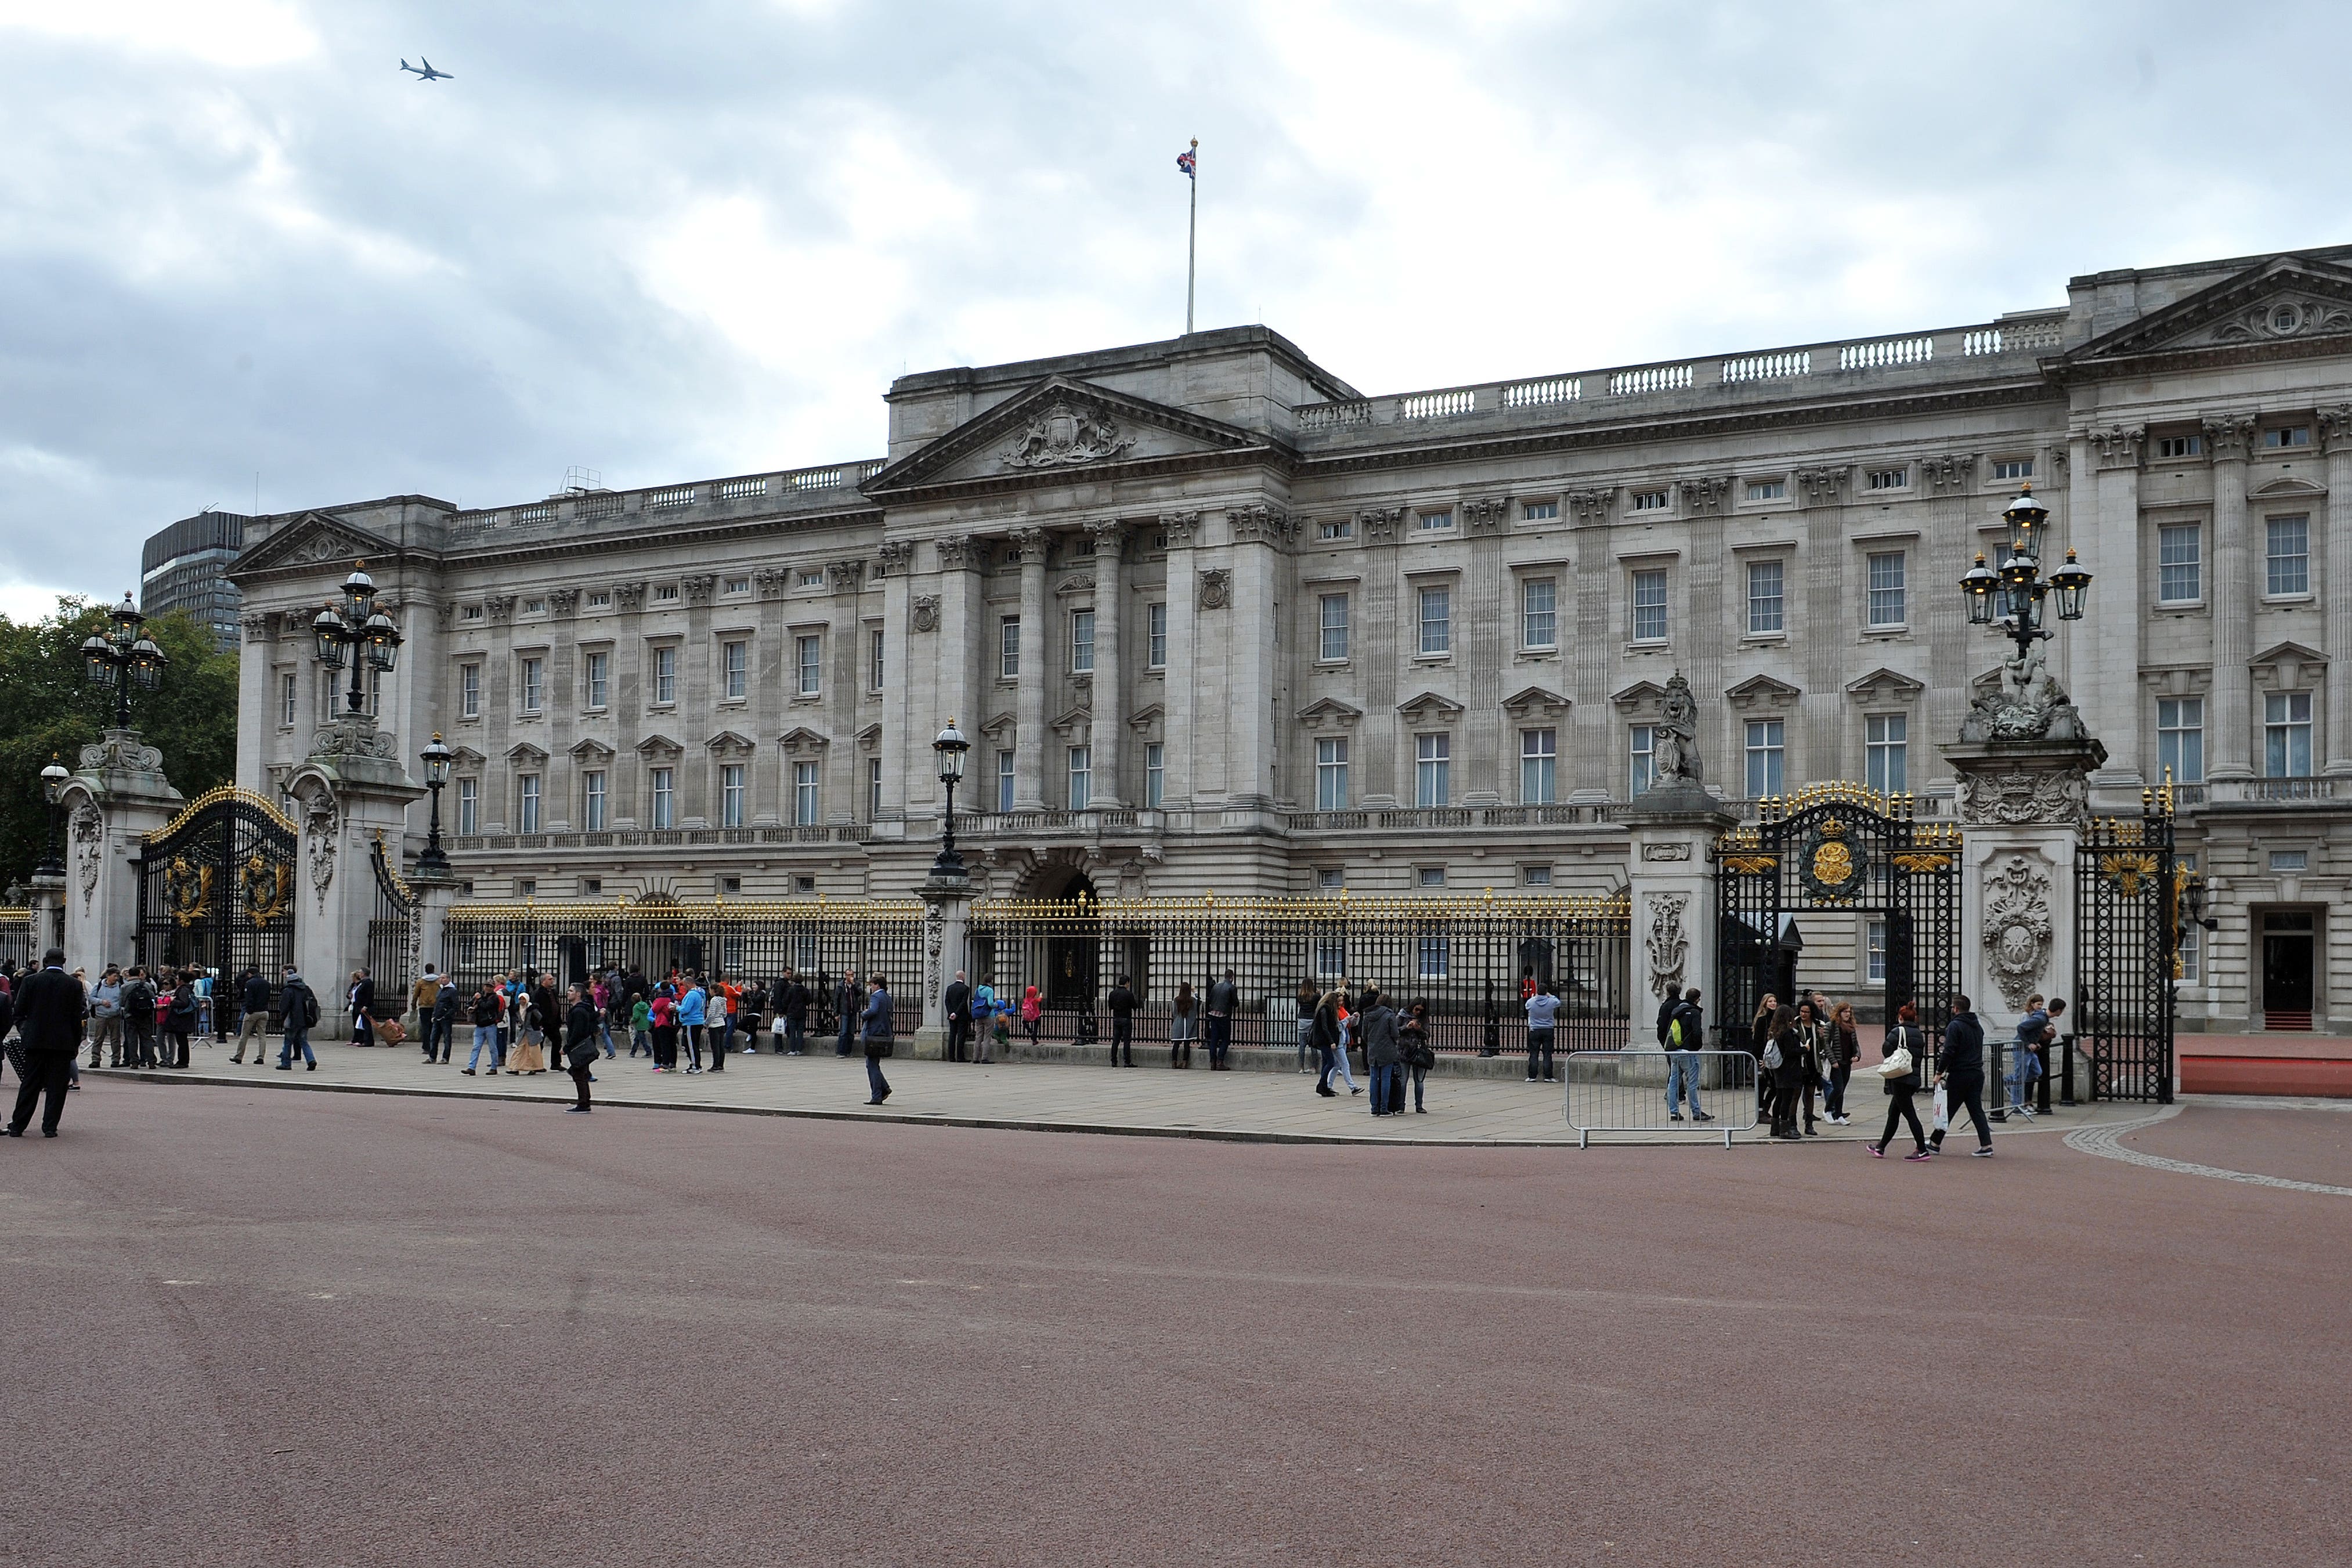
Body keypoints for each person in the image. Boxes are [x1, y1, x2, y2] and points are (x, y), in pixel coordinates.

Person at [6, 950, 83, 1139]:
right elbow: (76, 1017)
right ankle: (50, 1127)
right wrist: (75, 1043)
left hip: (35, 1041)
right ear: (64, 961)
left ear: (45, 961)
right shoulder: (74, 984)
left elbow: (19, 1011)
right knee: (57, 1086)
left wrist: (26, 1032)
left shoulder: (31, 981)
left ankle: (18, 1126)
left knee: (30, 1084)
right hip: (63, 1042)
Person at [1930, 994, 1995, 1157]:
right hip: (1976, 1073)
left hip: (1960, 1074)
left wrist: (1939, 1072)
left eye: (1953, 1007)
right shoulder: (1977, 1026)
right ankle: (1986, 1145)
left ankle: (1934, 1144)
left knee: (1948, 1109)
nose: (1952, 1009)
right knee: (1976, 1110)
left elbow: (1949, 1051)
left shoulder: (1955, 1026)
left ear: (1956, 1009)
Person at [1868, 1001, 1932, 1159]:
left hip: (1900, 1077)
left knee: (1910, 1115)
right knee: (1893, 1113)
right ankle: (1881, 1147)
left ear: (1901, 1017)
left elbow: (1886, 1049)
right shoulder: (1918, 1034)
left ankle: (1922, 1149)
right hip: (1913, 1078)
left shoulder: (1898, 1031)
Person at [1999, 995, 2060, 1121]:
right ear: (2059, 1011)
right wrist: (2028, 1043)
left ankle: (2009, 1081)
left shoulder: (2042, 1017)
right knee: (2020, 1077)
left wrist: (2035, 1041)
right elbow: (2021, 1028)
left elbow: (2033, 1032)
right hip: (2022, 1048)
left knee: (2037, 1072)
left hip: (2029, 1049)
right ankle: (2016, 1106)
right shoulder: (2040, 1019)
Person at [1665, 987, 1712, 1123]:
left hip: (1675, 1051)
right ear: (1697, 999)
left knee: (1673, 1082)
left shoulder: (1676, 1011)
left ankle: (1674, 1112)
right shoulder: (1695, 1012)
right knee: (1692, 1083)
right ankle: (1696, 1112)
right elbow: (1697, 1033)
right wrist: (1697, 1047)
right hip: (1688, 1051)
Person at [1360, 987, 1401, 1115]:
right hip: (1387, 1050)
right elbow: (1395, 1033)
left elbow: (1364, 1035)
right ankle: (1384, 1107)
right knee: (1386, 1079)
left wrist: (1372, 1043)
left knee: (1374, 1078)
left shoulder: (1368, 1014)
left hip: (1373, 1050)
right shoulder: (1389, 1015)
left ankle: (1374, 1107)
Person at [1765, 1006, 1805, 1140]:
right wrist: (1805, 1049)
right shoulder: (1787, 1033)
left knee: (1779, 1098)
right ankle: (1785, 1130)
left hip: (1779, 1068)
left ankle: (1775, 1128)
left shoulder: (1776, 1031)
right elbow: (1790, 1052)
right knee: (1786, 1100)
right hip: (1789, 1069)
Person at [562, 983, 599, 1112]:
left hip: (579, 1048)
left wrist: (567, 1048)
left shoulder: (579, 1011)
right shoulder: (582, 1009)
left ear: (578, 994)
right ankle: (585, 1102)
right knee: (581, 1075)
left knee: (579, 1076)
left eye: (571, 991)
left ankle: (583, 1104)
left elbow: (577, 1032)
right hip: (582, 1046)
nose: (568, 993)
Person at [1824, 1001, 1861, 1125]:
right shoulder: (1831, 1026)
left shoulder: (1851, 1027)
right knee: (1838, 1088)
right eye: (1845, 1012)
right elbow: (1826, 1045)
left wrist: (1857, 1055)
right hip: (1837, 1062)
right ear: (1839, 1013)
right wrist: (1833, 1060)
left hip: (1847, 1061)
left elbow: (1855, 1044)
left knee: (1842, 1089)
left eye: (1849, 1012)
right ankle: (1828, 1110)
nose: (1847, 1014)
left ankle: (1838, 1114)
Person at [277, 966, 319, 1071]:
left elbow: (284, 1007)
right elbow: (314, 1003)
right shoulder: (306, 989)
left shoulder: (288, 990)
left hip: (292, 1020)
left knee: (288, 1042)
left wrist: (281, 1018)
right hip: (306, 1019)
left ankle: (286, 1064)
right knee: (304, 1041)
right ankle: (311, 1060)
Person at [1793, 1000, 1824, 1136]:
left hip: (1813, 1063)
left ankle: (1809, 1124)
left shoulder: (1818, 1025)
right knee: (1795, 1095)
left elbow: (1822, 1046)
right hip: (1799, 1064)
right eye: (1802, 1011)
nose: (1804, 1014)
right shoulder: (1794, 1024)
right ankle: (1792, 1125)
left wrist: (1823, 1037)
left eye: (1807, 1012)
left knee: (1810, 1094)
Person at [861, 973, 894, 1104]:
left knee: (872, 1065)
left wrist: (864, 1014)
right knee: (873, 1064)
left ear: (877, 985)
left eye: (872, 985)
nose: (871, 988)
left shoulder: (876, 996)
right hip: (884, 1033)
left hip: (873, 1033)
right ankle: (884, 1088)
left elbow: (873, 1011)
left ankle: (877, 1095)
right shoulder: (887, 997)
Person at [230, 966, 273, 1064]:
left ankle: (239, 1056)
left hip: (253, 1012)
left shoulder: (249, 983)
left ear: (250, 974)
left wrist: (249, 1011)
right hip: (264, 1011)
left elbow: (249, 999)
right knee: (262, 1035)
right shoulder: (267, 983)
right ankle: (261, 1057)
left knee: (244, 1035)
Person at [1401, 999, 1436, 1113]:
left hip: (1419, 1051)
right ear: (1412, 1007)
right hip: (1404, 1051)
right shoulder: (1402, 1015)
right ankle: (1401, 1105)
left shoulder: (1424, 1019)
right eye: (1416, 1009)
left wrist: (1419, 1029)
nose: (1418, 1012)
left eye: (1421, 1011)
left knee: (1419, 1081)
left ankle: (1419, 1105)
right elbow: (1396, 1031)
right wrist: (1406, 1027)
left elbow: (1427, 1035)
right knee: (1403, 1080)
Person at [1523, 980, 1561, 1083]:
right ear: (1546, 992)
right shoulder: (1551, 1002)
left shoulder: (1531, 1002)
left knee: (1534, 1054)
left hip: (1535, 1029)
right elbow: (1558, 1002)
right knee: (1547, 1054)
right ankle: (1548, 1076)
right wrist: (1550, 995)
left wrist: (1535, 997)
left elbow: (1527, 1006)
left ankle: (1532, 1076)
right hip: (1548, 1029)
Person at [121, 966, 158, 1070]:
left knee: (132, 1039)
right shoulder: (147, 985)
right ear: (139, 974)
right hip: (145, 1015)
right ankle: (151, 1061)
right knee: (147, 1038)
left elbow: (122, 1002)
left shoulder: (125, 986)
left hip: (131, 1015)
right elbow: (153, 998)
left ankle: (134, 1061)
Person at [86, 966, 123, 1069]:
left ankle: (116, 1059)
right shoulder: (98, 986)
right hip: (101, 1016)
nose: (116, 978)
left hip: (115, 1016)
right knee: (99, 1038)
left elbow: (122, 1000)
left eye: (117, 976)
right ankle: (96, 1059)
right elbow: (91, 998)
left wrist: (118, 1007)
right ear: (108, 976)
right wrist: (101, 1002)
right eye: (114, 976)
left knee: (115, 1039)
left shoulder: (119, 987)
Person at [463, 982, 504, 1075]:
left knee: (493, 1048)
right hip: (480, 1025)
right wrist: (471, 1007)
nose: (488, 988)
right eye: (487, 986)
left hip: (490, 1025)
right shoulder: (479, 996)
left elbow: (486, 1006)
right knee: (476, 1047)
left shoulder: (494, 998)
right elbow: (469, 1003)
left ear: (493, 988)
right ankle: (471, 1067)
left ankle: (494, 1067)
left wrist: (480, 999)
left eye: (490, 987)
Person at [1310, 987, 1343, 1097]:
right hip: (1323, 1040)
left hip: (1324, 1040)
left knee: (1326, 1062)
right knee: (1331, 1062)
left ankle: (1324, 1086)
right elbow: (1325, 1027)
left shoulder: (1325, 1009)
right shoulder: (1324, 1009)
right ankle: (1321, 1085)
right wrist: (1331, 1041)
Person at [507, 985, 547, 1075]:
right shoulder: (518, 1009)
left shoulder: (532, 1008)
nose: (522, 1001)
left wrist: (536, 1025)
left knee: (533, 1051)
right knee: (519, 1050)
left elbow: (540, 1017)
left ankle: (534, 1067)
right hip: (524, 1032)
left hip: (532, 1032)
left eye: (523, 999)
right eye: (520, 999)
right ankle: (515, 1067)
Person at [1205, 968, 1238, 1071]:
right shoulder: (1232, 988)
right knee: (1225, 1039)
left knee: (1214, 1039)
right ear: (1232, 978)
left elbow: (1210, 999)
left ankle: (1213, 1062)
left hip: (1213, 1014)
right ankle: (1220, 1062)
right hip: (1224, 1016)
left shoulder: (1216, 986)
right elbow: (1235, 1003)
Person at [163, 970, 197, 1068]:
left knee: (182, 1041)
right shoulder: (186, 989)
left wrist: (173, 1001)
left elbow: (184, 1003)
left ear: (182, 981)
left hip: (181, 1019)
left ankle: (182, 1061)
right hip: (184, 1019)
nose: (176, 980)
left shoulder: (183, 990)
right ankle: (183, 1060)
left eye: (177, 979)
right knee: (182, 1041)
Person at [412, 964, 445, 1060]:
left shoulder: (421, 981)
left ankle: (426, 1047)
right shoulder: (438, 981)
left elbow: (416, 994)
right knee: (434, 1027)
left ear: (425, 970)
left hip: (424, 1006)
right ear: (433, 970)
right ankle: (433, 1045)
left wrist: (413, 1005)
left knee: (425, 1027)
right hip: (435, 1006)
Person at [678, 976, 707, 1073]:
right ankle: (696, 1064)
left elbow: (685, 1009)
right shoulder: (701, 993)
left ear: (689, 984)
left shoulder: (692, 995)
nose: (684, 987)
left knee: (690, 1045)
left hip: (691, 1021)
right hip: (698, 1020)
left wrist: (677, 1008)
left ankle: (696, 1066)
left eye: (685, 985)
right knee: (694, 1045)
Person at [1105, 975, 1137, 1067]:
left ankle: (1114, 1060)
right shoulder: (1128, 994)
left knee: (1116, 1040)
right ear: (1127, 983)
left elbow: (1110, 1007)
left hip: (1116, 1018)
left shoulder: (1112, 993)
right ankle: (1127, 1061)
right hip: (1126, 1019)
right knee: (1127, 1041)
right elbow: (1134, 1006)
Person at [942, 970, 972, 1063]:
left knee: (952, 1035)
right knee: (961, 1036)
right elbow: (963, 1003)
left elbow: (947, 1001)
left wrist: (951, 1013)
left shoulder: (950, 988)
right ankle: (960, 1057)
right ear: (963, 977)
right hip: (962, 1016)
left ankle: (951, 1057)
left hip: (951, 1016)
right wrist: (957, 1013)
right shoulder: (965, 988)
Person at [781, 970, 812, 1056]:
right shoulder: (805, 990)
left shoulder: (790, 990)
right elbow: (808, 1001)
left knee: (792, 1032)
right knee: (801, 1032)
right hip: (802, 1012)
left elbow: (785, 1001)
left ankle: (792, 1050)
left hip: (792, 1012)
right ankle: (799, 1049)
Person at [430, 979, 460, 1064]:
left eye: (443, 978)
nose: (441, 980)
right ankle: (432, 1057)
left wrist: (447, 1015)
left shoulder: (452, 991)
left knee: (447, 1038)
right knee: (433, 1038)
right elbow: (437, 1004)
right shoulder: (441, 989)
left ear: (448, 979)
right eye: (440, 978)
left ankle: (445, 1058)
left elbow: (455, 1005)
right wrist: (434, 1015)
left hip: (446, 1018)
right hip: (437, 1017)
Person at [1168, 982, 1197, 1068]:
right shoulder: (1192, 1000)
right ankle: (1184, 1063)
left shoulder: (1176, 1000)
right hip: (1188, 1025)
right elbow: (1199, 1001)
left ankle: (1174, 1063)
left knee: (1176, 1045)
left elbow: (1174, 1013)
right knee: (1187, 1045)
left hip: (1178, 1024)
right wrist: (1195, 991)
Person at [971, 979, 998, 1064]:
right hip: (988, 1015)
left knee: (978, 1037)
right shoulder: (990, 990)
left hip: (979, 1015)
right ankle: (984, 1058)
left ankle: (975, 1057)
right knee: (987, 1037)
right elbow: (990, 1003)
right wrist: (996, 1005)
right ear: (991, 981)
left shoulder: (978, 990)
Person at [1294, 980, 1319, 1074]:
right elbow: (1319, 1005)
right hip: (1312, 1019)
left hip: (1302, 1019)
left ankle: (1301, 1067)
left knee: (1302, 1045)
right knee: (1313, 1044)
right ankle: (1314, 1067)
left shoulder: (1300, 996)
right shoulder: (1315, 996)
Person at [833, 971, 859, 1057]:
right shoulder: (841, 986)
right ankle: (841, 1052)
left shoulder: (855, 984)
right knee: (844, 1032)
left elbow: (859, 993)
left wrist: (854, 985)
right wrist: (836, 1014)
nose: (851, 977)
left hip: (853, 1011)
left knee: (851, 1033)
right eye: (849, 975)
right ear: (845, 976)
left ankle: (848, 1051)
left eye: (852, 975)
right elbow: (836, 1000)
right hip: (844, 1012)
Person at [348, 969, 375, 1046]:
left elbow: (369, 996)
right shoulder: (363, 983)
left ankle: (368, 1041)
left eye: (360, 972)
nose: (359, 974)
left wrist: (366, 1006)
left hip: (365, 1007)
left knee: (366, 1025)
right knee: (362, 1024)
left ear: (363, 974)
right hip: (359, 1006)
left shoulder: (368, 983)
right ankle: (362, 1040)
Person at [1018, 984, 1043, 1049]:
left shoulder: (1026, 1000)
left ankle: (1030, 1031)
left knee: (1024, 1022)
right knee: (1036, 1027)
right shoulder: (1034, 1000)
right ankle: (1034, 1040)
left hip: (1029, 1015)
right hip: (1035, 1015)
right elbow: (1039, 1000)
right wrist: (1041, 996)